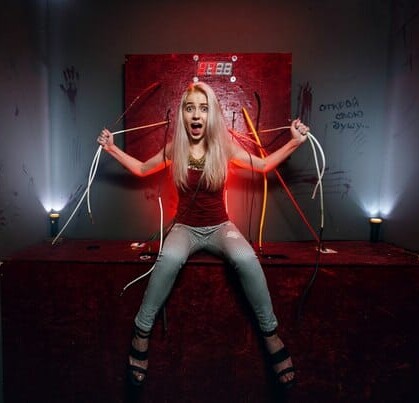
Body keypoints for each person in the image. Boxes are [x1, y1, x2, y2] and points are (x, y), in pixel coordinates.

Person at [97, 81, 309, 389]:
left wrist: (294, 142)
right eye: (190, 108)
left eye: (203, 108)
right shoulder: (176, 148)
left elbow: (263, 165)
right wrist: (111, 148)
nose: (196, 115)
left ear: (211, 115)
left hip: (221, 227)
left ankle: (270, 334)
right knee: (169, 258)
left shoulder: (224, 147)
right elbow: (143, 169)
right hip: (184, 228)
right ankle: (141, 331)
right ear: (183, 115)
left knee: (246, 258)